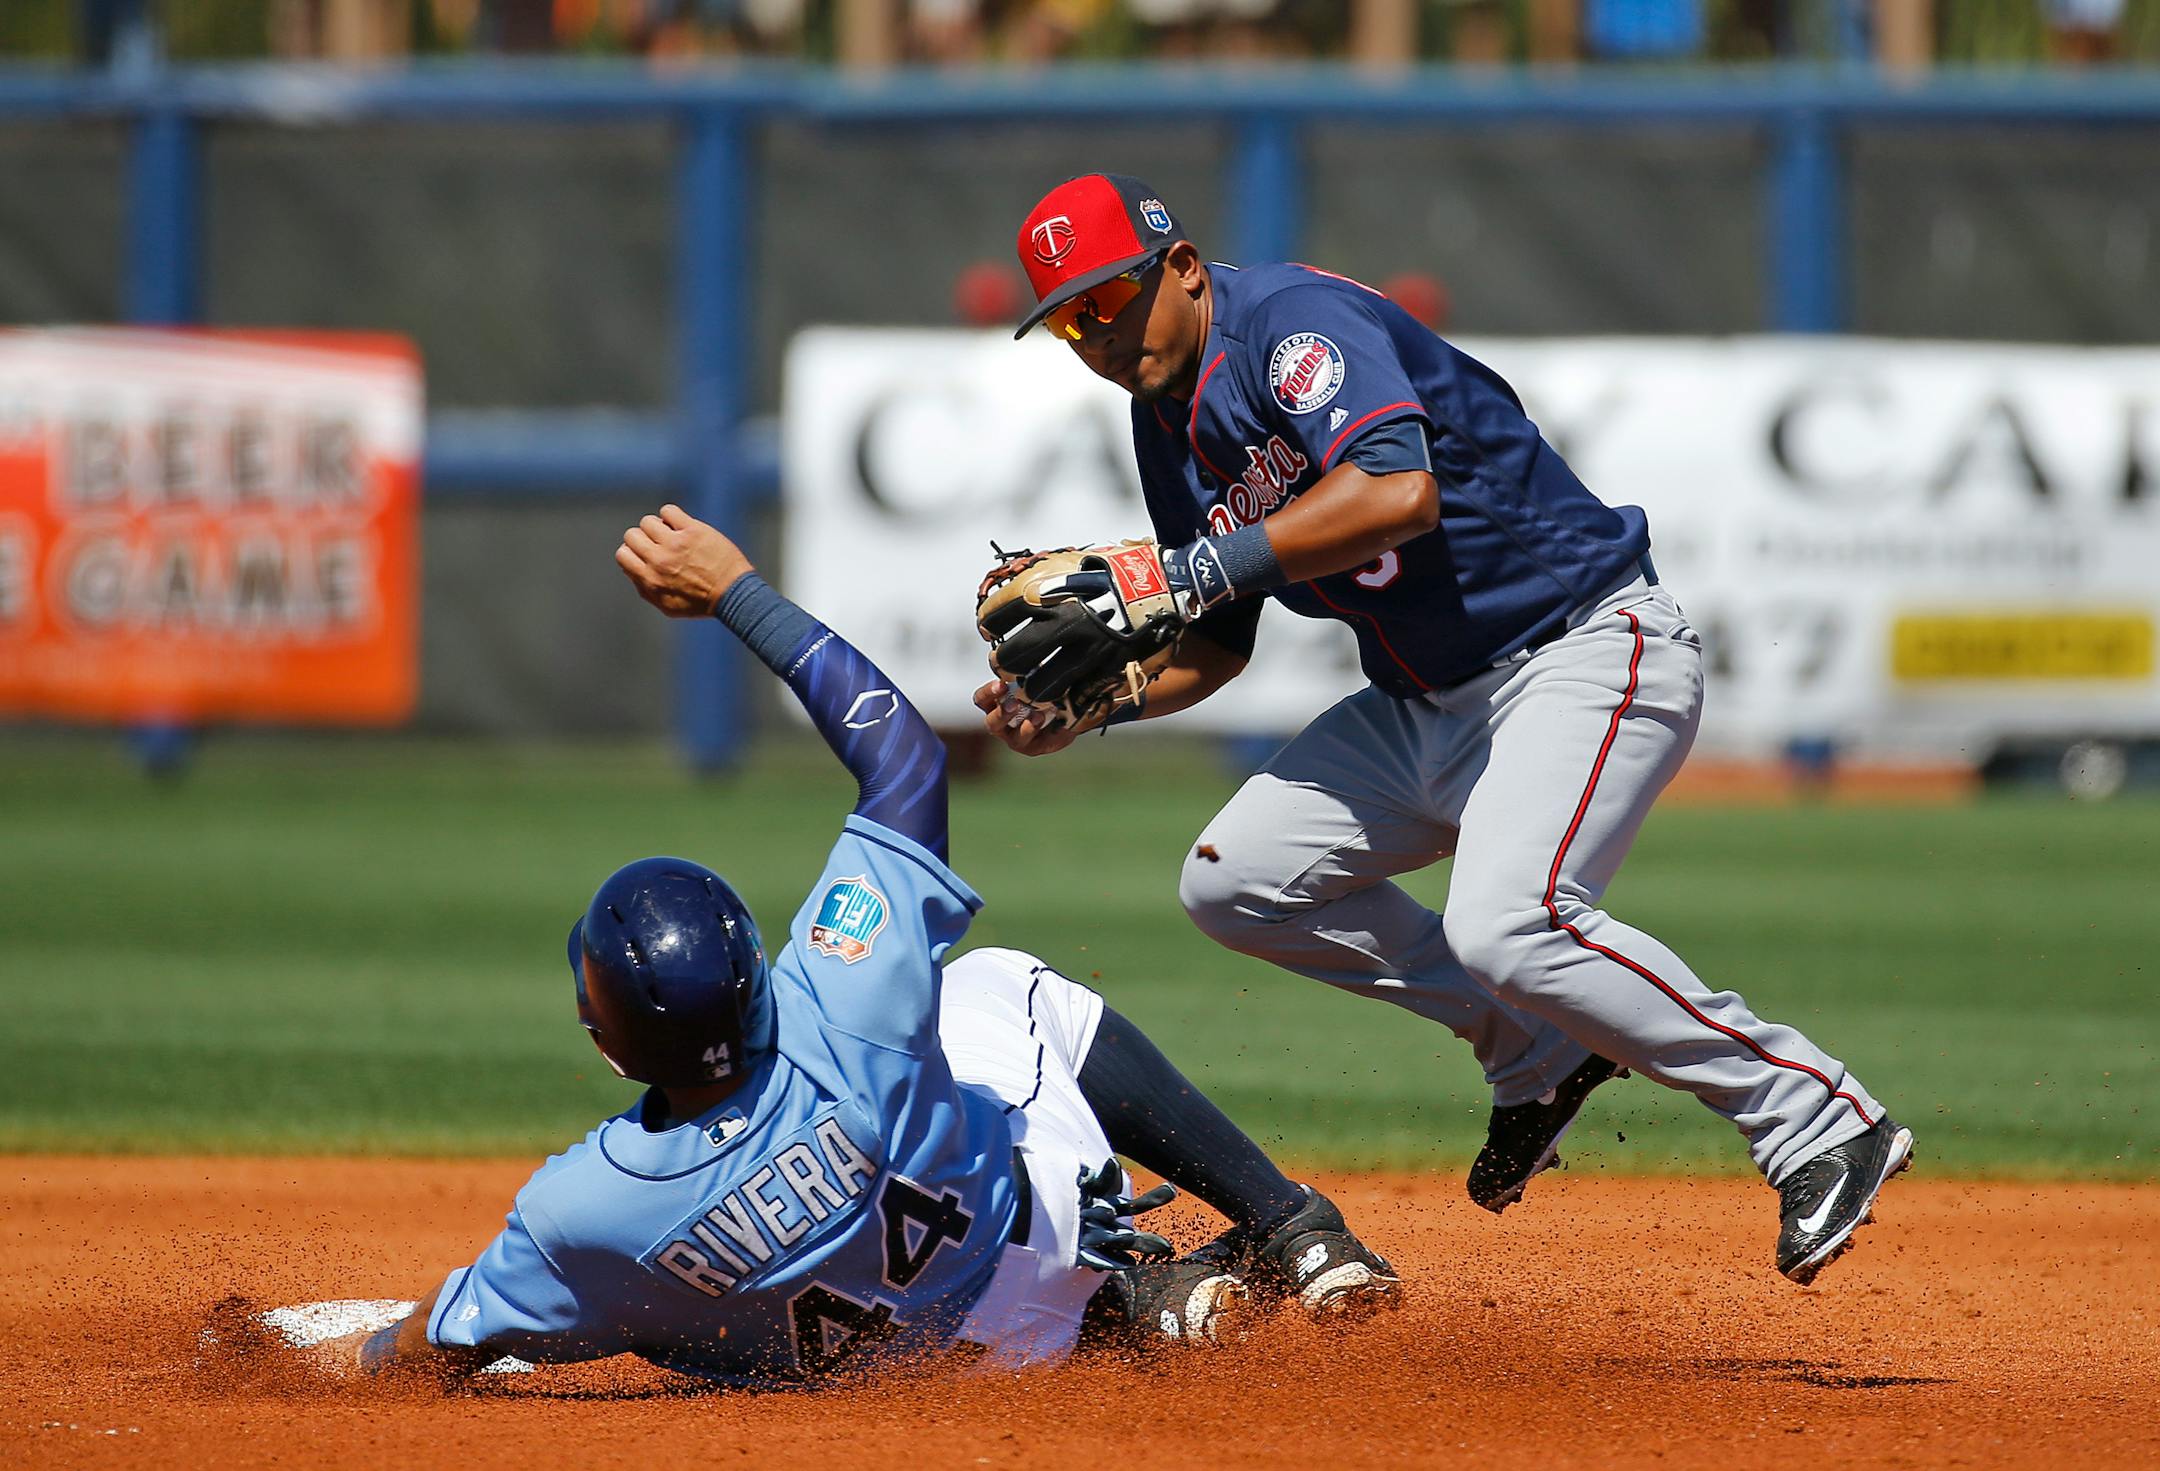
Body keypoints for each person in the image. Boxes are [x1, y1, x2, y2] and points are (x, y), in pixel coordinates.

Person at [979, 174, 1910, 1286]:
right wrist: (1097, 705)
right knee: (1234, 882)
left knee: (1512, 922)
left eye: (1111, 295)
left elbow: (1395, 491)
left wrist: (1181, 569)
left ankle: (1817, 1115)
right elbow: (1220, 639)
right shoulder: (1162, 421)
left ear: (1180, 267)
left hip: (1582, 646)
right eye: (1070, 320)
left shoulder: (1290, 329)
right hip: (1427, 703)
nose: (1097, 333)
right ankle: (1536, 1045)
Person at [283, 505, 1395, 1391]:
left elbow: (445, 1344)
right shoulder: (843, 1006)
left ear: (606, 1038)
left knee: (677, 1336)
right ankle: (1285, 1230)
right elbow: (904, 757)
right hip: (1034, 1239)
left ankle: (1133, 1309)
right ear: (752, 982)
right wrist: (734, 591)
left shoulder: (583, 1214)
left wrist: (314, 1360)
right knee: (1000, 985)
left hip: (928, 1370)